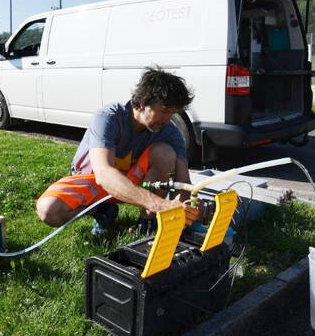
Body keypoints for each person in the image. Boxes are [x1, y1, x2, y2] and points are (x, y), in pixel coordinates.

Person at [36, 66, 196, 234]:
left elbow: (183, 182)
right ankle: (102, 210)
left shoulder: (169, 131)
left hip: (132, 180)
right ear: (142, 103)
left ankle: (147, 222)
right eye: (164, 110)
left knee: (165, 152)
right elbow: (104, 174)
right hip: (94, 180)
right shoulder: (108, 117)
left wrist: (186, 207)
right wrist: (161, 204)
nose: (167, 119)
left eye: (172, 112)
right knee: (48, 210)